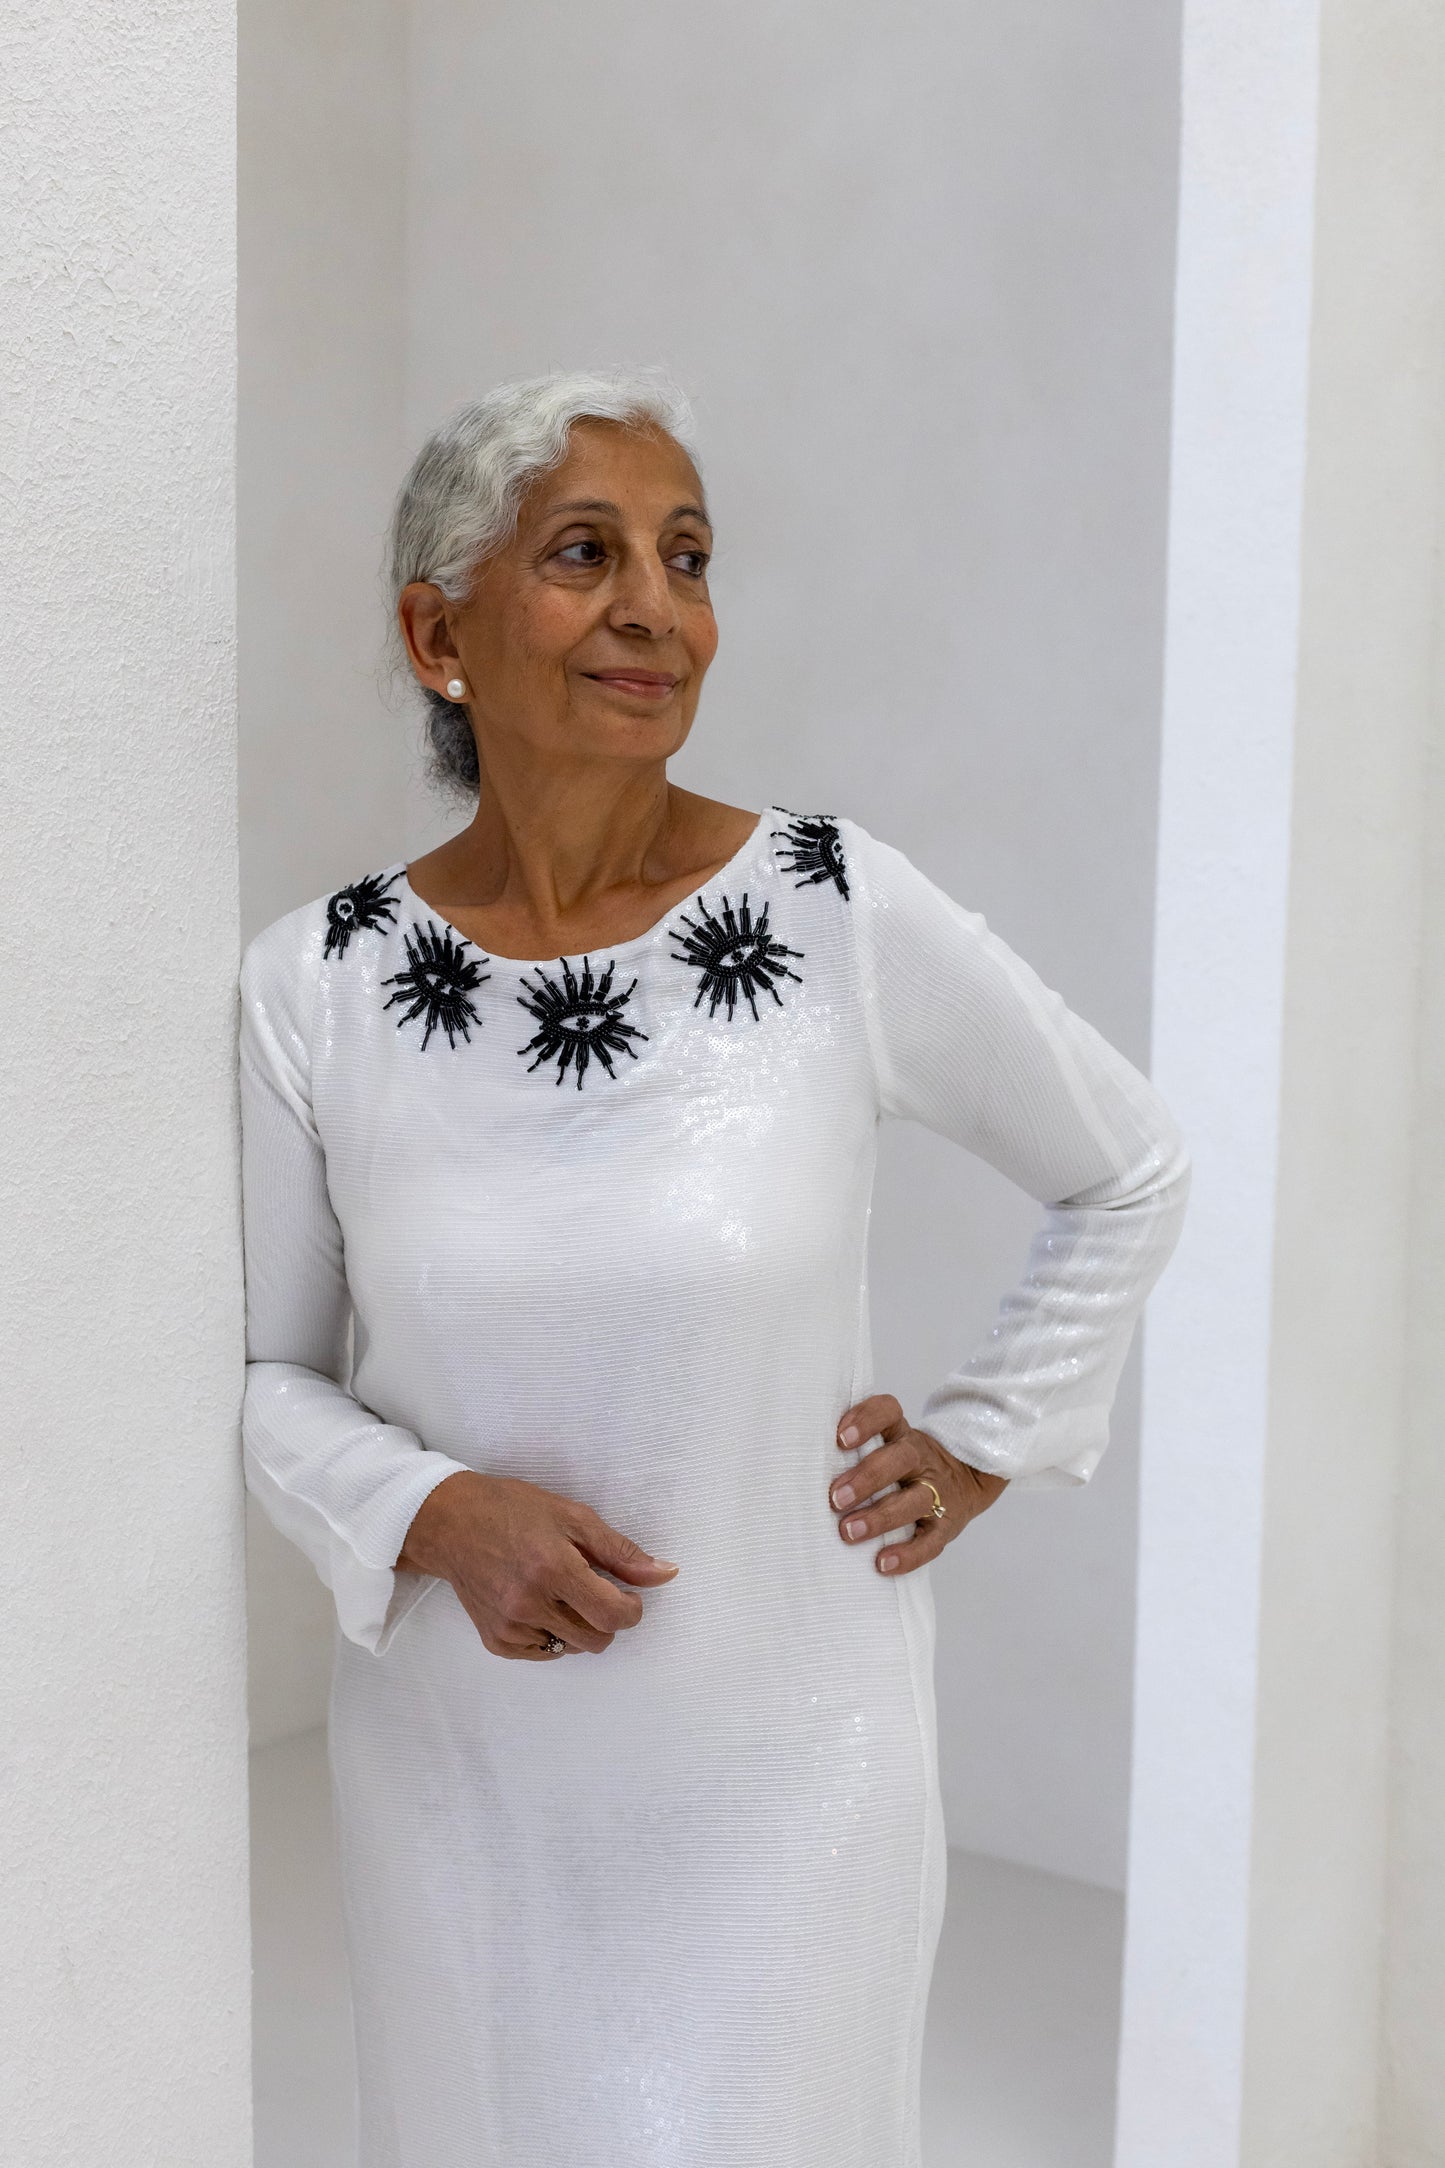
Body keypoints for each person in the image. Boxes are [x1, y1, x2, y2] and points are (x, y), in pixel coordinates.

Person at [239, 366, 1189, 2168]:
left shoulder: (836, 910)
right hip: (464, 1772)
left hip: (784, 1758)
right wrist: (431, 1509)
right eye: (584, 555)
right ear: (436, 629)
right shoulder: (322, 984)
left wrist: (990, 1433)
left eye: (686, 558)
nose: (654, 610)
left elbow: (1124, 1161)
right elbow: (271, 1371)